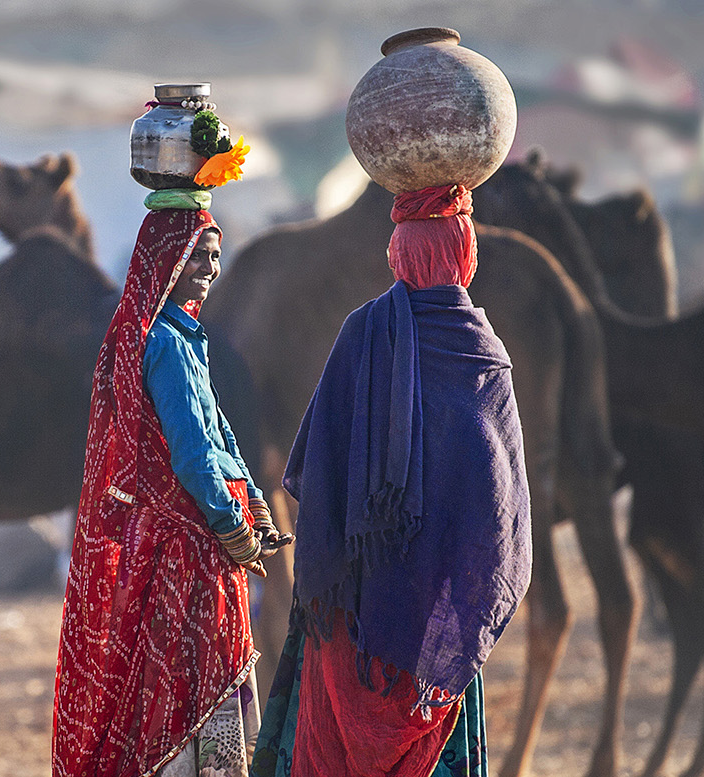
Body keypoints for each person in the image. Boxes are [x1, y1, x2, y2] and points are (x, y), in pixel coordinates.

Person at [251, 183, 531, 777]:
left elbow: (318, 471)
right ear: (464, 254)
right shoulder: (485, 356)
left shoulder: (361, 334)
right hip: (434, 638)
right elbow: (499, 512)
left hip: (348, 627)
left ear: (399, 254)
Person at [54, 207, 289, 777]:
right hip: (186, 546)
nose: (210, 269)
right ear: (168, 262)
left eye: (215, 256)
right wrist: (233, 527)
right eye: (198, 257)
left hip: (203, 535)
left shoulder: (186, 336)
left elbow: (219, 431)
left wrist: (253, 500)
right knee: (188, 686)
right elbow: (191, 454)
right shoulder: (163, 342)